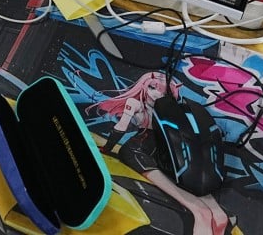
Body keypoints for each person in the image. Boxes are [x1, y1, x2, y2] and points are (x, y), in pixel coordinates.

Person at [91, 72, 232, 235]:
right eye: (153, 87)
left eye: (164, 91)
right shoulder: (149, 107)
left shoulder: (149, 107)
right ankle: (210, 211)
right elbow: (123, 126)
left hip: (147, 149)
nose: (157, 93)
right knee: (185, 173)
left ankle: (201, 211)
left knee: (183, 177)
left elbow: (122, 127)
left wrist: (108, 148)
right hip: (151, 149)